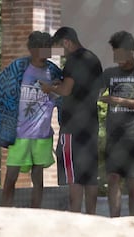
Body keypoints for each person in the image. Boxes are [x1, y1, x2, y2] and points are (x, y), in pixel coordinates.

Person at [0, 31, 62, 208]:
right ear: (33, 49)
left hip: (42, 133)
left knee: (38, 178)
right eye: (43, 48)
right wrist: (8, 102)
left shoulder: (53, 71)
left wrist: (52, 93)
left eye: (49, 48)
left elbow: (63, 93)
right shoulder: (19, 67)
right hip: (19, 132)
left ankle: (35, 212)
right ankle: (6, 210)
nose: (47, 52)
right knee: (11, 175)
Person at [40, 27, 103, 214]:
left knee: (72, 174)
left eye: (61, 47)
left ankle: (74, 215)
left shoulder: (73, 60)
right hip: (91, 122)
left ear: (67, 42)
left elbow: (67, 90)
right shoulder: (93, 59)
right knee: (90, 174)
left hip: (72, 126)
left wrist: (50, 88)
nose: (62, 52)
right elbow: (97, 89)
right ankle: (92, 215)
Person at [98, 30, 134, 217]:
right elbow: (94, 93)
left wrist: (119, 101)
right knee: (113, 178)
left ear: (131, 51)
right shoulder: (109, 73)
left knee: (132, 183)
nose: (117, 58)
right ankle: (115, 221)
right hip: (114, 135)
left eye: (120, 54)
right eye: (114, 54)